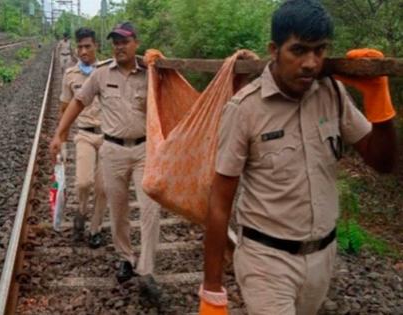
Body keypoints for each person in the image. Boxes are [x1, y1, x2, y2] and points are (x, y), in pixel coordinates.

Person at [200, 1, 397, 314]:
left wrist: (379, 102)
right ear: (274, 50)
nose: (311, 63)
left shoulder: (330, 93)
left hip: (323, 258)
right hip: (266, 261)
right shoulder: (245, 109)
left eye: (319, 51)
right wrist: (211, 290)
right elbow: (220, 200)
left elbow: (383, 163)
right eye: (299, 50)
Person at [50, 22, 161, 305]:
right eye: (115, 42)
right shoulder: (101, 74)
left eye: (124, 41)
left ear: (136, 42)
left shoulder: (151, 73)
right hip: (112, 150)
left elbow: (174, 92)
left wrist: (159, 60)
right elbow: (77, 102)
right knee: (119, 208)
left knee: (150, 209)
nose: (119, 46)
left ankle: (146, 270)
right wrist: (60, 133)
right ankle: (126, 257)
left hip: (144, 150)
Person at [58, 27, 106, 248]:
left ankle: (95, 229)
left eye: (88, 46)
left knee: (103, 187)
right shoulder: (70, 75)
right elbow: (65, 108)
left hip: (108, 137)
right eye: (80, 47)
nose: (84, 51)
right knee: (83, 182)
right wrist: (62, 139)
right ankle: (81, 213)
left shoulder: (107, 71)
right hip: (84, 135)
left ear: (96, 46)